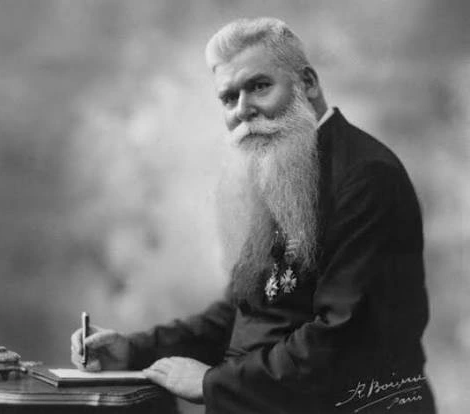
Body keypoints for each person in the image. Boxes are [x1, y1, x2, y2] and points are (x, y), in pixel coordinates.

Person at [71, 18, 435, 414]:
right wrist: (134, 350)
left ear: (308, 83)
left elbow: (343, 338)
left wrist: (212, 383)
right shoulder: (287, 168)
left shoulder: (366, 176)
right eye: (229, 98)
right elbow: (243, 313)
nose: (243, 110)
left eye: (259, 86)